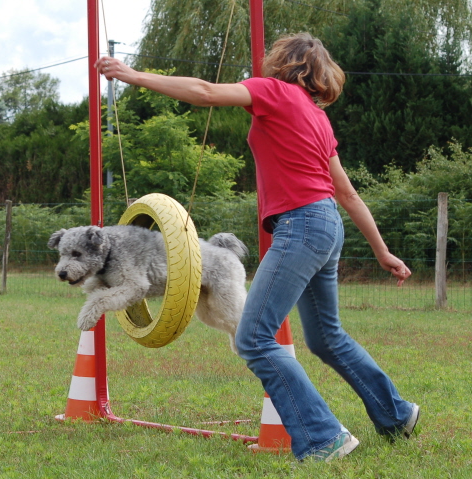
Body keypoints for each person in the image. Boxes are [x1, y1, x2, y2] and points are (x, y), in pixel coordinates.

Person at [95, 32, 419, 462]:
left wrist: (134, 76)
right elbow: (348, 194)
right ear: (319, 73)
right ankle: (396, 415)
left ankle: (324, 437)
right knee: (326, 338)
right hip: (326, 223)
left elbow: (206, 92)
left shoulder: (274, 91)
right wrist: (382, 251)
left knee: (253, 337)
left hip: (302, 224)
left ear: (284, 63)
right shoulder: (319, 119)